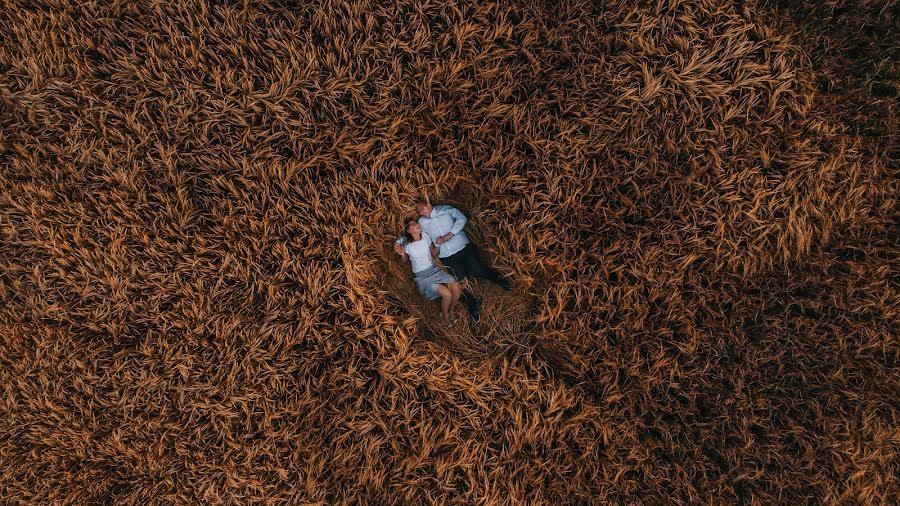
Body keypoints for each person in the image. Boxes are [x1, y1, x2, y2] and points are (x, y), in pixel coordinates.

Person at [416, 199, 511, 323]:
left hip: (463, 247)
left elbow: (462, 219)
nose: (421, 212)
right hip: (447, 256)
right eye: (418, 211)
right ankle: (472, 306)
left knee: (478, 270)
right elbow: (416, 235)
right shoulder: (421, 222)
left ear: (429, 204)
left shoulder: (445, 209)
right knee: (458, 283)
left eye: (422, 208)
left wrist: (450, 235)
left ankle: (500, 279)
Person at [394, 218, 462, 327]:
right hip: (423, 277)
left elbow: (433, 254)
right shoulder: (407, 245)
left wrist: (438, 245)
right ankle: (444, 315)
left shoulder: (425, 236)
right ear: (409, 231)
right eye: (412, 224)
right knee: (447, 294)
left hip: (434, 270)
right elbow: (404, 262)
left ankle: (451, 311)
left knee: (456, 286)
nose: (416, 224)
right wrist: (402, 254)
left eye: (416, 222)